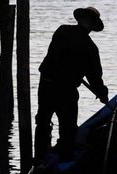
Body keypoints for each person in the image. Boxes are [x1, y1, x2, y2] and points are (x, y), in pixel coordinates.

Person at [34, 6, 109, 164]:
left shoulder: (62, 31)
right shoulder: (90, 48)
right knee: (67, 129)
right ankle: (63, 161)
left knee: (43, 123)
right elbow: (95, 77)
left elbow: (54, 56)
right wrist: (103, 94)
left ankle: (40, 160)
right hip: (65, 90)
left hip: (47, 85)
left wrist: (100, 90)